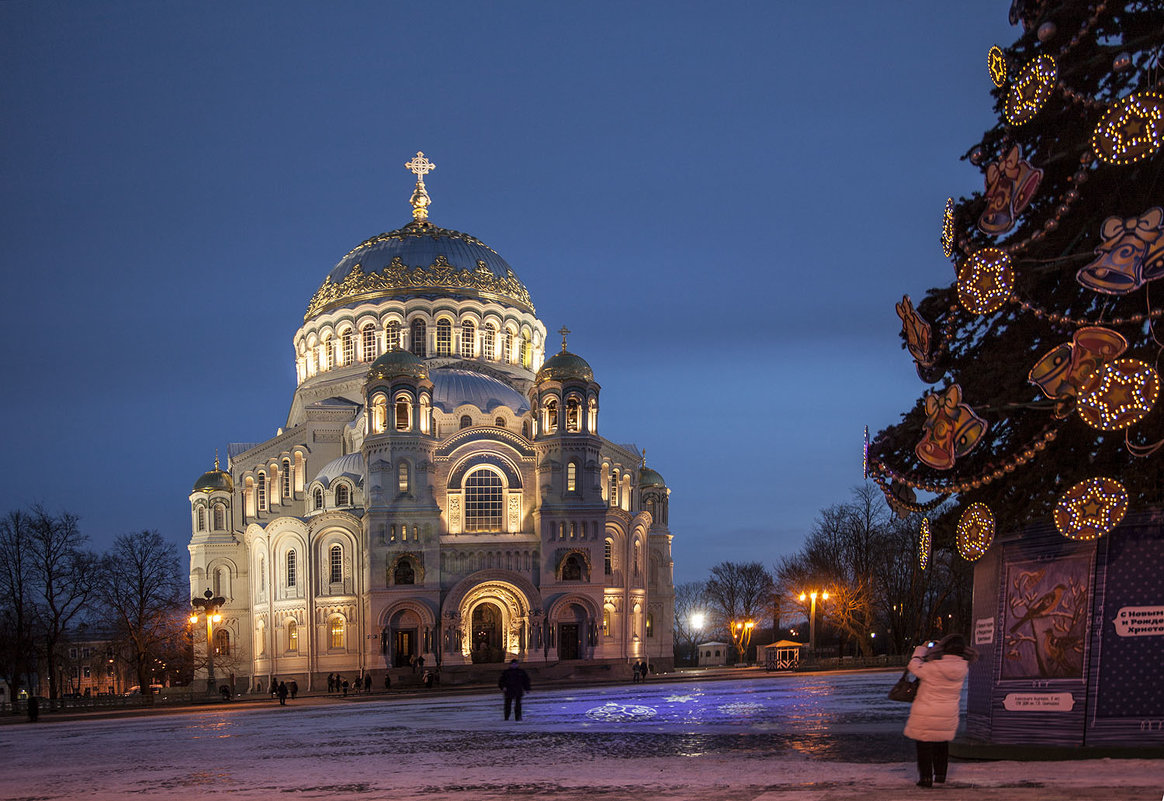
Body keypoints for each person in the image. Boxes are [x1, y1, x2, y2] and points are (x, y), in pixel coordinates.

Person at [904, 633, 977, 788]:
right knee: (941, 744)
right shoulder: (962, 668)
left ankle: (925, 778)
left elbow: (913, 665)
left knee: (924, 746)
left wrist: (922, 649)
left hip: (926, 712)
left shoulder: (932, 667)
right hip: (947, 713)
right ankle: (941, 775)